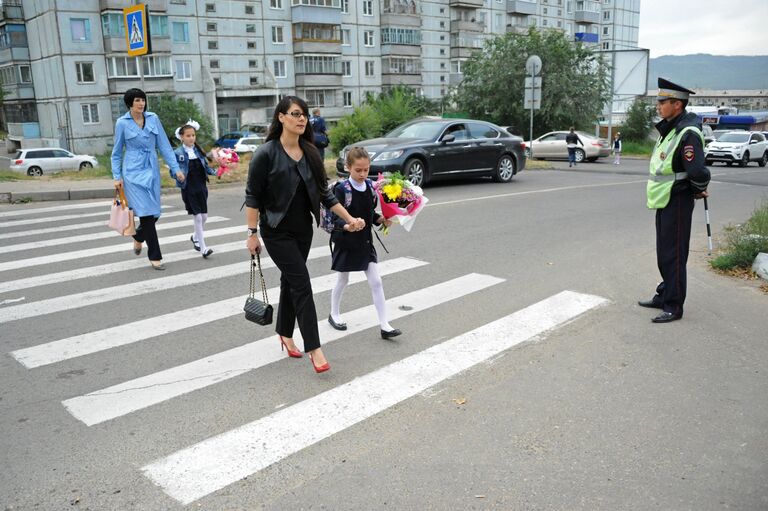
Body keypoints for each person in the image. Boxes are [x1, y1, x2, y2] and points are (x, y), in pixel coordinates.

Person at [245, 96, 365, 374]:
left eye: (305, 115)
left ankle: (284, 333)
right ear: (281, 118)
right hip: (275, 231)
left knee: (291, 280)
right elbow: (252, 197)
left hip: (302, 230)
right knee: (301, 282)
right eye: (296, 114)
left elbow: (325, 194)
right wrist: (252, 234)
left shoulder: (310, 152)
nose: (302, 119)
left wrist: (349, 219)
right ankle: (315, 347)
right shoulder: (266, 153)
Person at [638, 77, 710, 323]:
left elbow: (697, 170)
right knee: (663, 252)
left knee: (674, 254)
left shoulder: (688, 133)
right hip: (665, 197)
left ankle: (673, 305)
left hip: (677, 199)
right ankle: (664, 293)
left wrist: (699, 187)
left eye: (662, 102)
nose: (658, 106)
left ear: (677, 105)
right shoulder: (671, 129)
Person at [327, 147, 401, 340]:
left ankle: (384, 325)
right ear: (348, 167)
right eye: (357, 170)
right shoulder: (342, 189)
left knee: (376, 281)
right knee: (343, 280)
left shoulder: (371, 187)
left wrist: (381, 220)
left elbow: (370, 214)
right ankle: (334, 314)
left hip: (365, 242)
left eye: (366, 170)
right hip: (346, 242)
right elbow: (334, 220)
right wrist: (347, 226)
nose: (362, 174)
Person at [112, 88, 182, 271]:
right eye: (137, 100)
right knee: (146, 214)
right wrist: (117, 177)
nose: (141, 103)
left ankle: (138, 237)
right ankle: (155, 256)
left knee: (154, 213)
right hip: (132, 173)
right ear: (130, 103)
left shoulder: (153, 118)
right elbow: (116, 153)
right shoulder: (122, 123)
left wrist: (176, 169)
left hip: (151, 169)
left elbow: (164, 146)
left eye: (143, 100)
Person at [173, 119, 217, 258]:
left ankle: (195, 236)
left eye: (193, 135)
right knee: (197, 217)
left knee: (204, 216)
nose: (191, 138)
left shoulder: (198, 151)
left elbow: (206, 168)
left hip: (201, 186)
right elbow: (173, 170)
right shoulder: (178, 152)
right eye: (188, 135)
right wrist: (178, 176)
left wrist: (219, 171)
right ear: (181, 137)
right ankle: (203, 248)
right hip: (189, 188)